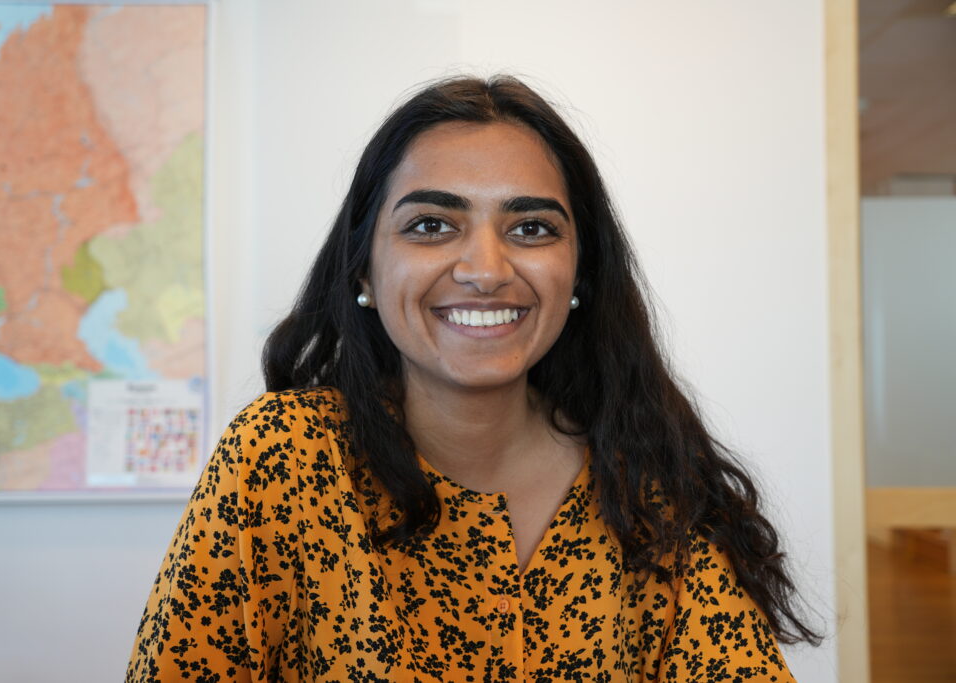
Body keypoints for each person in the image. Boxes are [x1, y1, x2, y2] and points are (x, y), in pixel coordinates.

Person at [126, 75, 820, 682]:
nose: (486, 270)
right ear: (364, 268)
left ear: (580, 271)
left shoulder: (648, 483)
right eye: (431, 225)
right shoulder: (284, 459)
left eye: (531, 228)